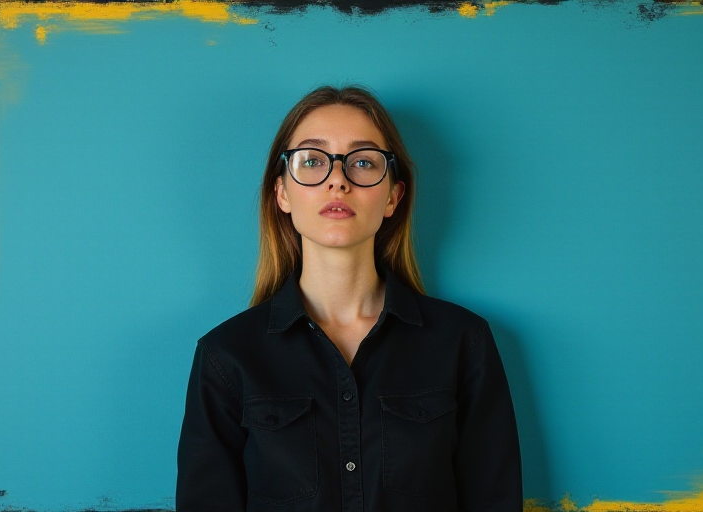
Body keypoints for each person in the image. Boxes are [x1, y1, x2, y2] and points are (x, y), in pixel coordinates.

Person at [175, 84, 522, 512]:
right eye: (312, 161)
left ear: (392, 196)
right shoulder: (226, 356)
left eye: (362, 162)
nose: (337, 180)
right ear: (282, 192)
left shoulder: (463, 343)